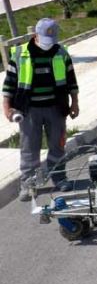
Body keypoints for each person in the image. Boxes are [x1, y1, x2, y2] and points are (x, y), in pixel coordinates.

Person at [3, 19, 79, 201]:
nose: (49, 43)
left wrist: (74, 102)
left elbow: (71, 80)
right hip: (29, 111)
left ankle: (59, 178)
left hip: (56, 108)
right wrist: (6, 107)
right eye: (45, 38)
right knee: (29, 148)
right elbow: (10, 83)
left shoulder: (61, 53)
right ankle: (29, 184)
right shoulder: (20, 54)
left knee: (58, 145)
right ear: (35, 35)